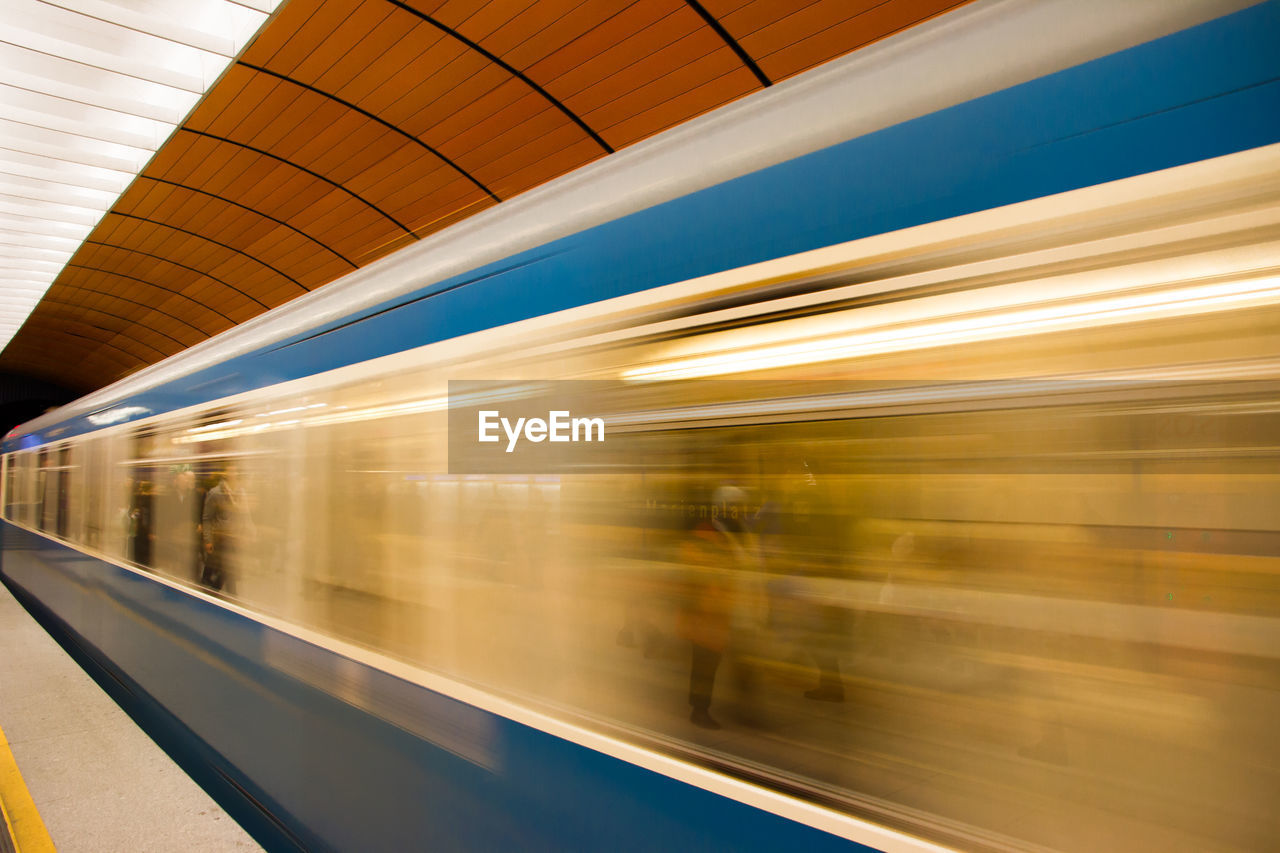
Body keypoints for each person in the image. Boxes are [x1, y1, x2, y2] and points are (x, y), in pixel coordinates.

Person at [201, 465, 252, 593]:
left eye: (236, 471)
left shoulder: (241, 493)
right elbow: (207, 518)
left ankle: (226, 596)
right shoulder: (215, 493)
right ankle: (211, 592)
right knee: (218, 571)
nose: (234, 474)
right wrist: (208, 540)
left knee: (229, 572)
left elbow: (246, 515)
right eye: (231, 471)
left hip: (234, 538)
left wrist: (249, 532)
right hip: (219, 539)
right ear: (225, 474)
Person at [158, 467, 202, 582]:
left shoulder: (191, 497)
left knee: (187, 558)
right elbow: (165, 516)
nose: (184, 483)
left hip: (186, 534)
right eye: (181, 481)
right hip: (173, 534)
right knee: (176, 559)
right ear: (176, 482)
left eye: (185, 481)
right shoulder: (168, 496)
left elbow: (195, 513)